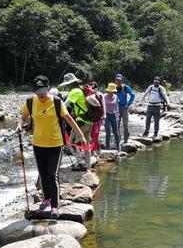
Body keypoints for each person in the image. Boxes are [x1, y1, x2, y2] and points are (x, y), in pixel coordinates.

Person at [17, 75, 87, 219]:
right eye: (38, 92)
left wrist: (81, 136)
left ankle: (55, 206)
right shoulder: (30, 102)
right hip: (38, 144)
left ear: (48, 89)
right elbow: (23, 116)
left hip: (55, 144)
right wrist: (19, 125)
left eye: (43, 91)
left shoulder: (56, 102)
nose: (41, 95)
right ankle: (46, 199)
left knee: (52, 175)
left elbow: (69, 119)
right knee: (42, 175)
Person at [60, 72, 94, 171]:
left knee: (71, 143)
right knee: (86, 144)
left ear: (70, 83)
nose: (66, 86)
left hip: (81, 121)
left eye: (67, 84)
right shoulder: (82, 89)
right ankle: (88, 167)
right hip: (89, 121)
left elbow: (63, 106)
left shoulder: (74, 91)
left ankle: (81, 163)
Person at [115, 73, 135, 143]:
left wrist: (129, 103)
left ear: (122, 80)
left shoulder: (126, 87)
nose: (118, 81)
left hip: (124, 108)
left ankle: (126, 139)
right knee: (116, 124)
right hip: (116, 108)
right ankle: (117, 139)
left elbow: (132, 95)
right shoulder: (113, 88)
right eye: (117, 80)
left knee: (125, 124)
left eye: (119, 80)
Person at [103, 82, 120, 150]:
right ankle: (108, 147)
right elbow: (102, 106)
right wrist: (102, 116)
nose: (112, 92)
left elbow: (116, 106)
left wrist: (117, 116)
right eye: (111, 91)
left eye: (113, 91)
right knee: (108, 132)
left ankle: (118, 146)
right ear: (108, 90)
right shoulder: (104, 96)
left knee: (116, 132)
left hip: (113, 115)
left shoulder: (115, 97)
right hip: (106, 116)